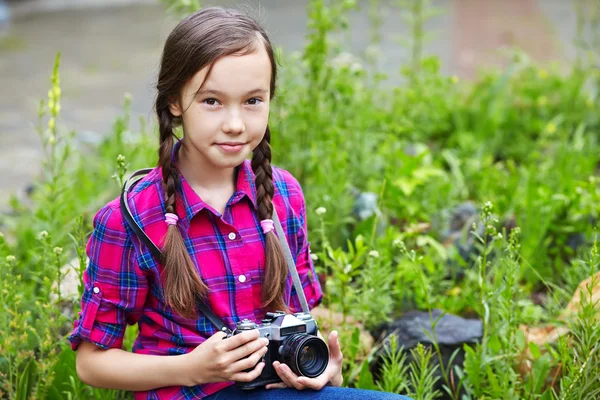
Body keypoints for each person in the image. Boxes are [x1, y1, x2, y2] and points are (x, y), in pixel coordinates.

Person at [69, 6, 411, 400]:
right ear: (176, 101)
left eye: (253, 101)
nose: (235, 123)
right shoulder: (129, 219)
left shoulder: (283, 196)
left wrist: (318, 370)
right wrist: (193, 368)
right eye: (212, 101)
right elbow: (91, 363)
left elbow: (299, 317)